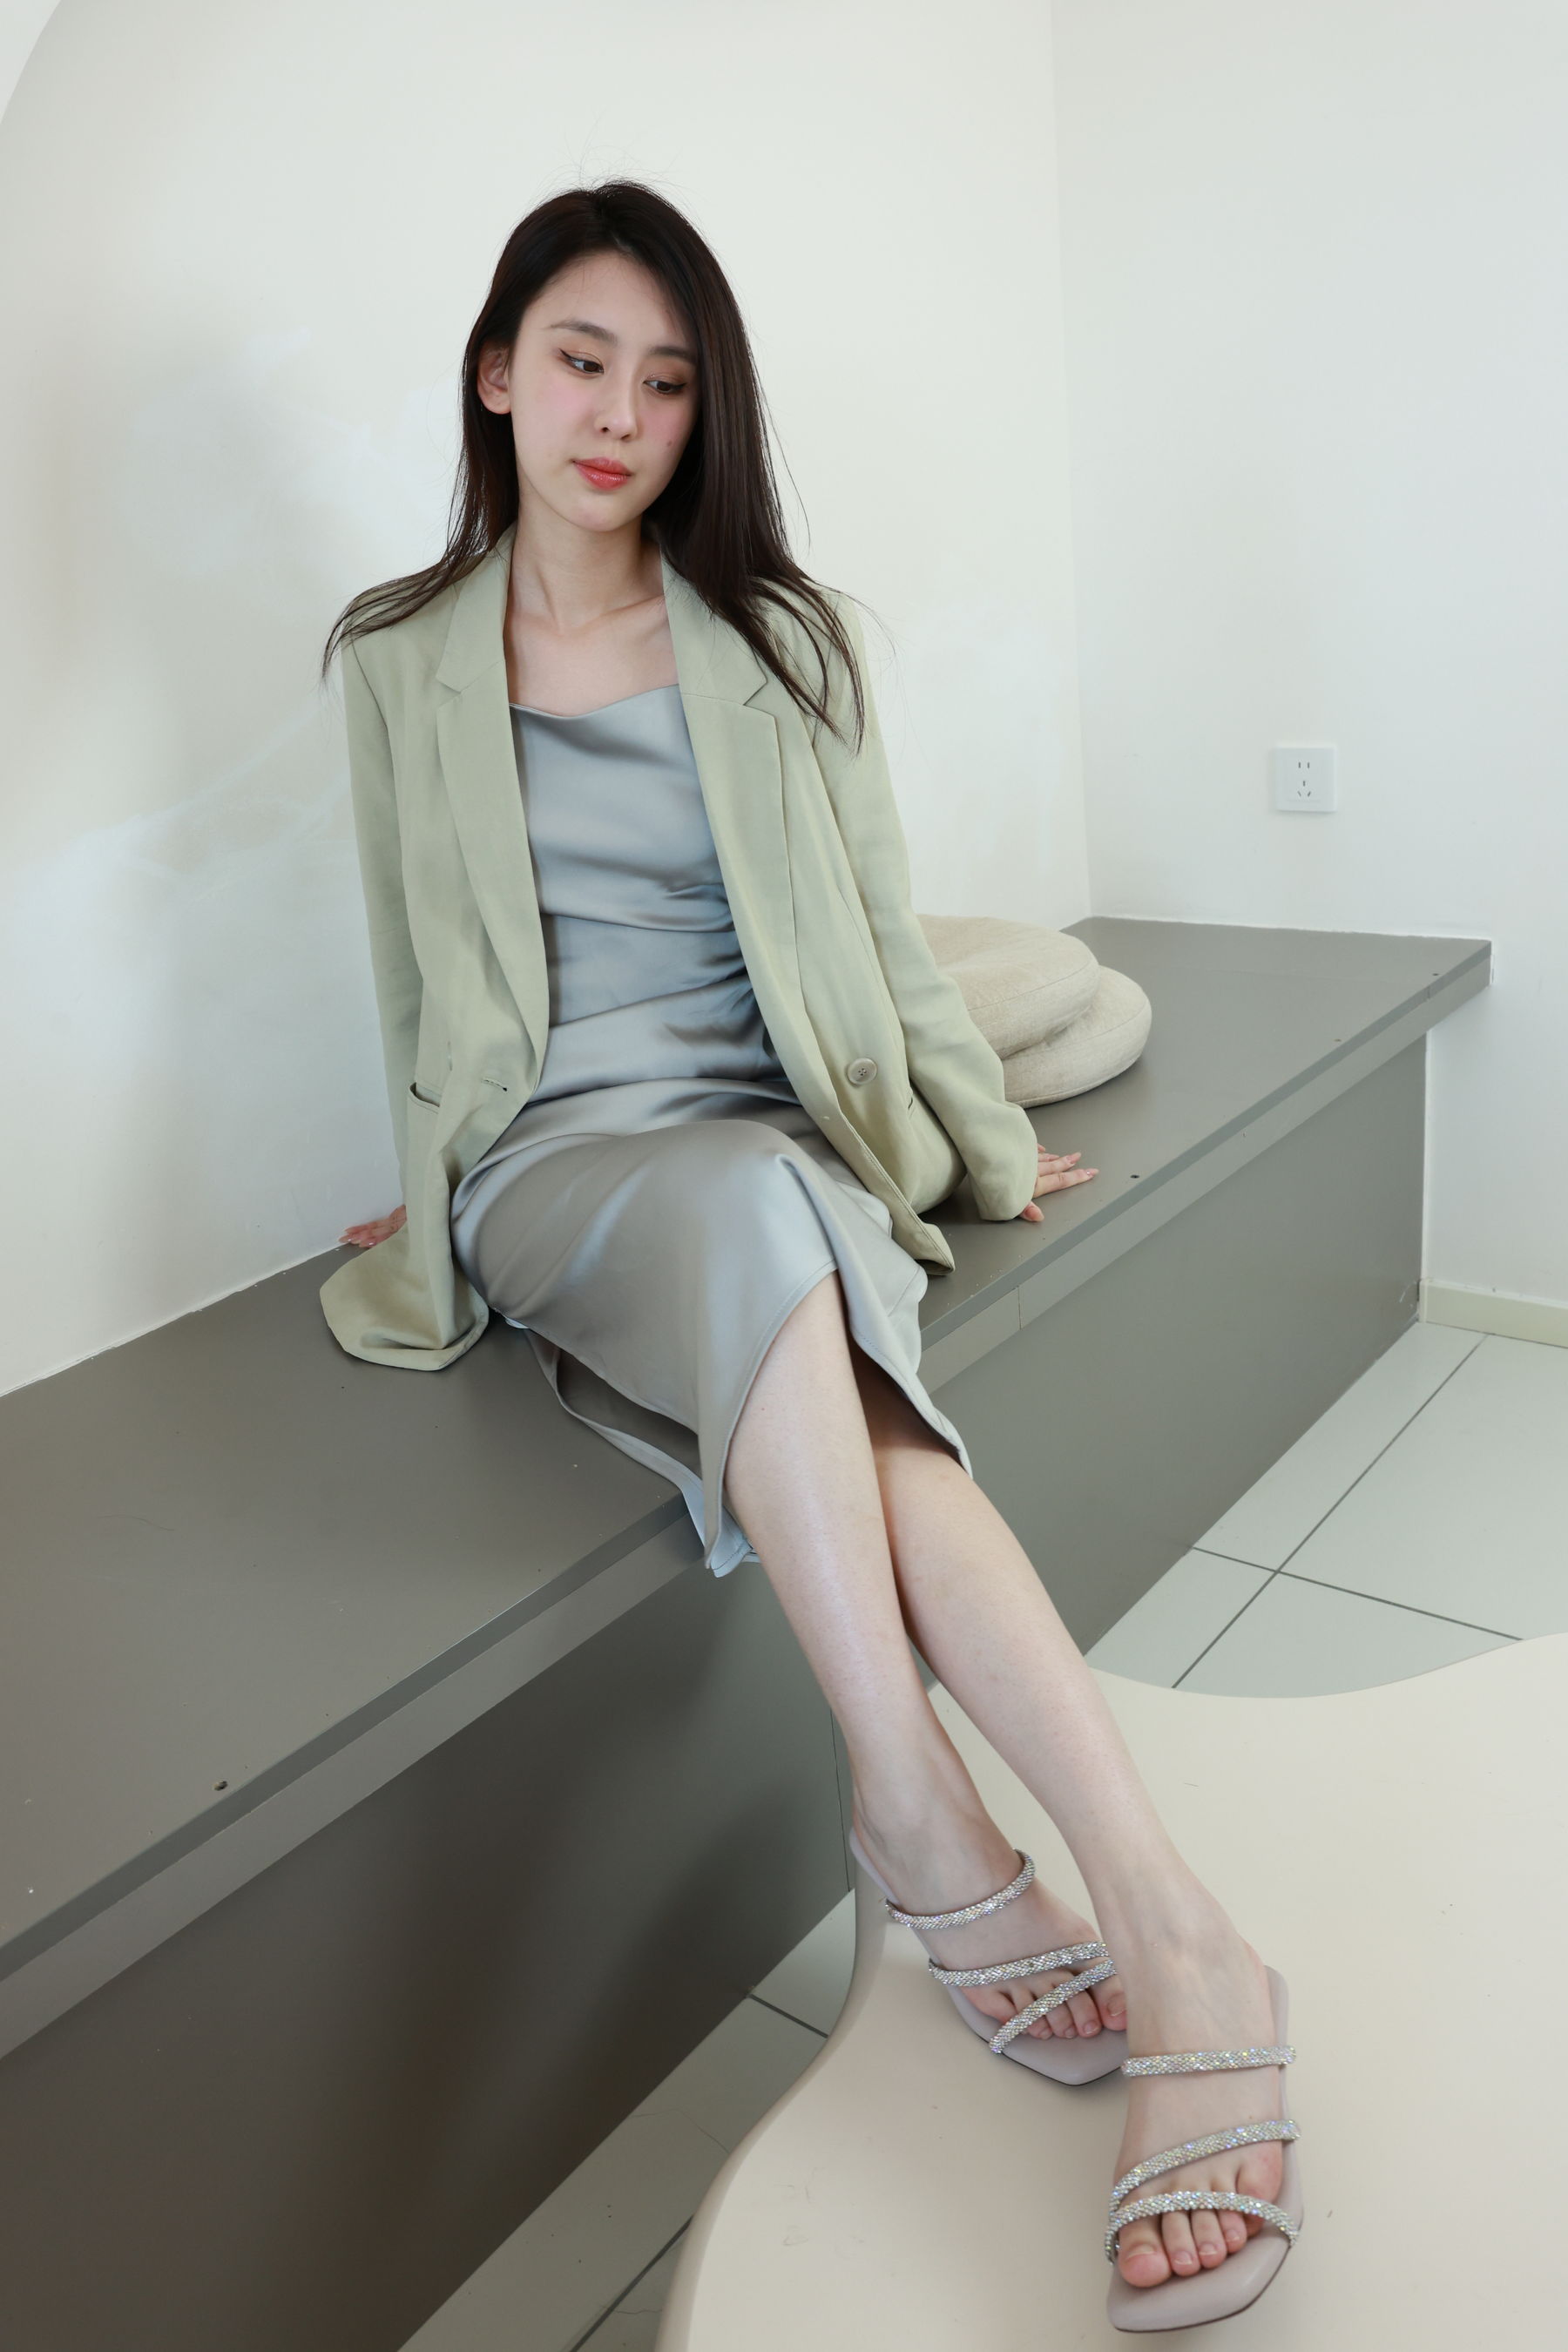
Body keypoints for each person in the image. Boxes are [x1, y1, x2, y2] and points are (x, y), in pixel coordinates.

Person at [322, 181, 1299, 2328]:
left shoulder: (783, 642)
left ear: (705, 415)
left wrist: (981, 1146)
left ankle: (1099, 1892)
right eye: (580, 361)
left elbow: (879, 939)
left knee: (826, 1316)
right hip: (564, 1159)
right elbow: (413, 966)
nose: (620, 415)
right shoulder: (393, 661)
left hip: (772, 1133)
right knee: (786, 1271)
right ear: (497, 374)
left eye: (667, 382)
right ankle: (1012, 1855)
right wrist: (423, 1169)